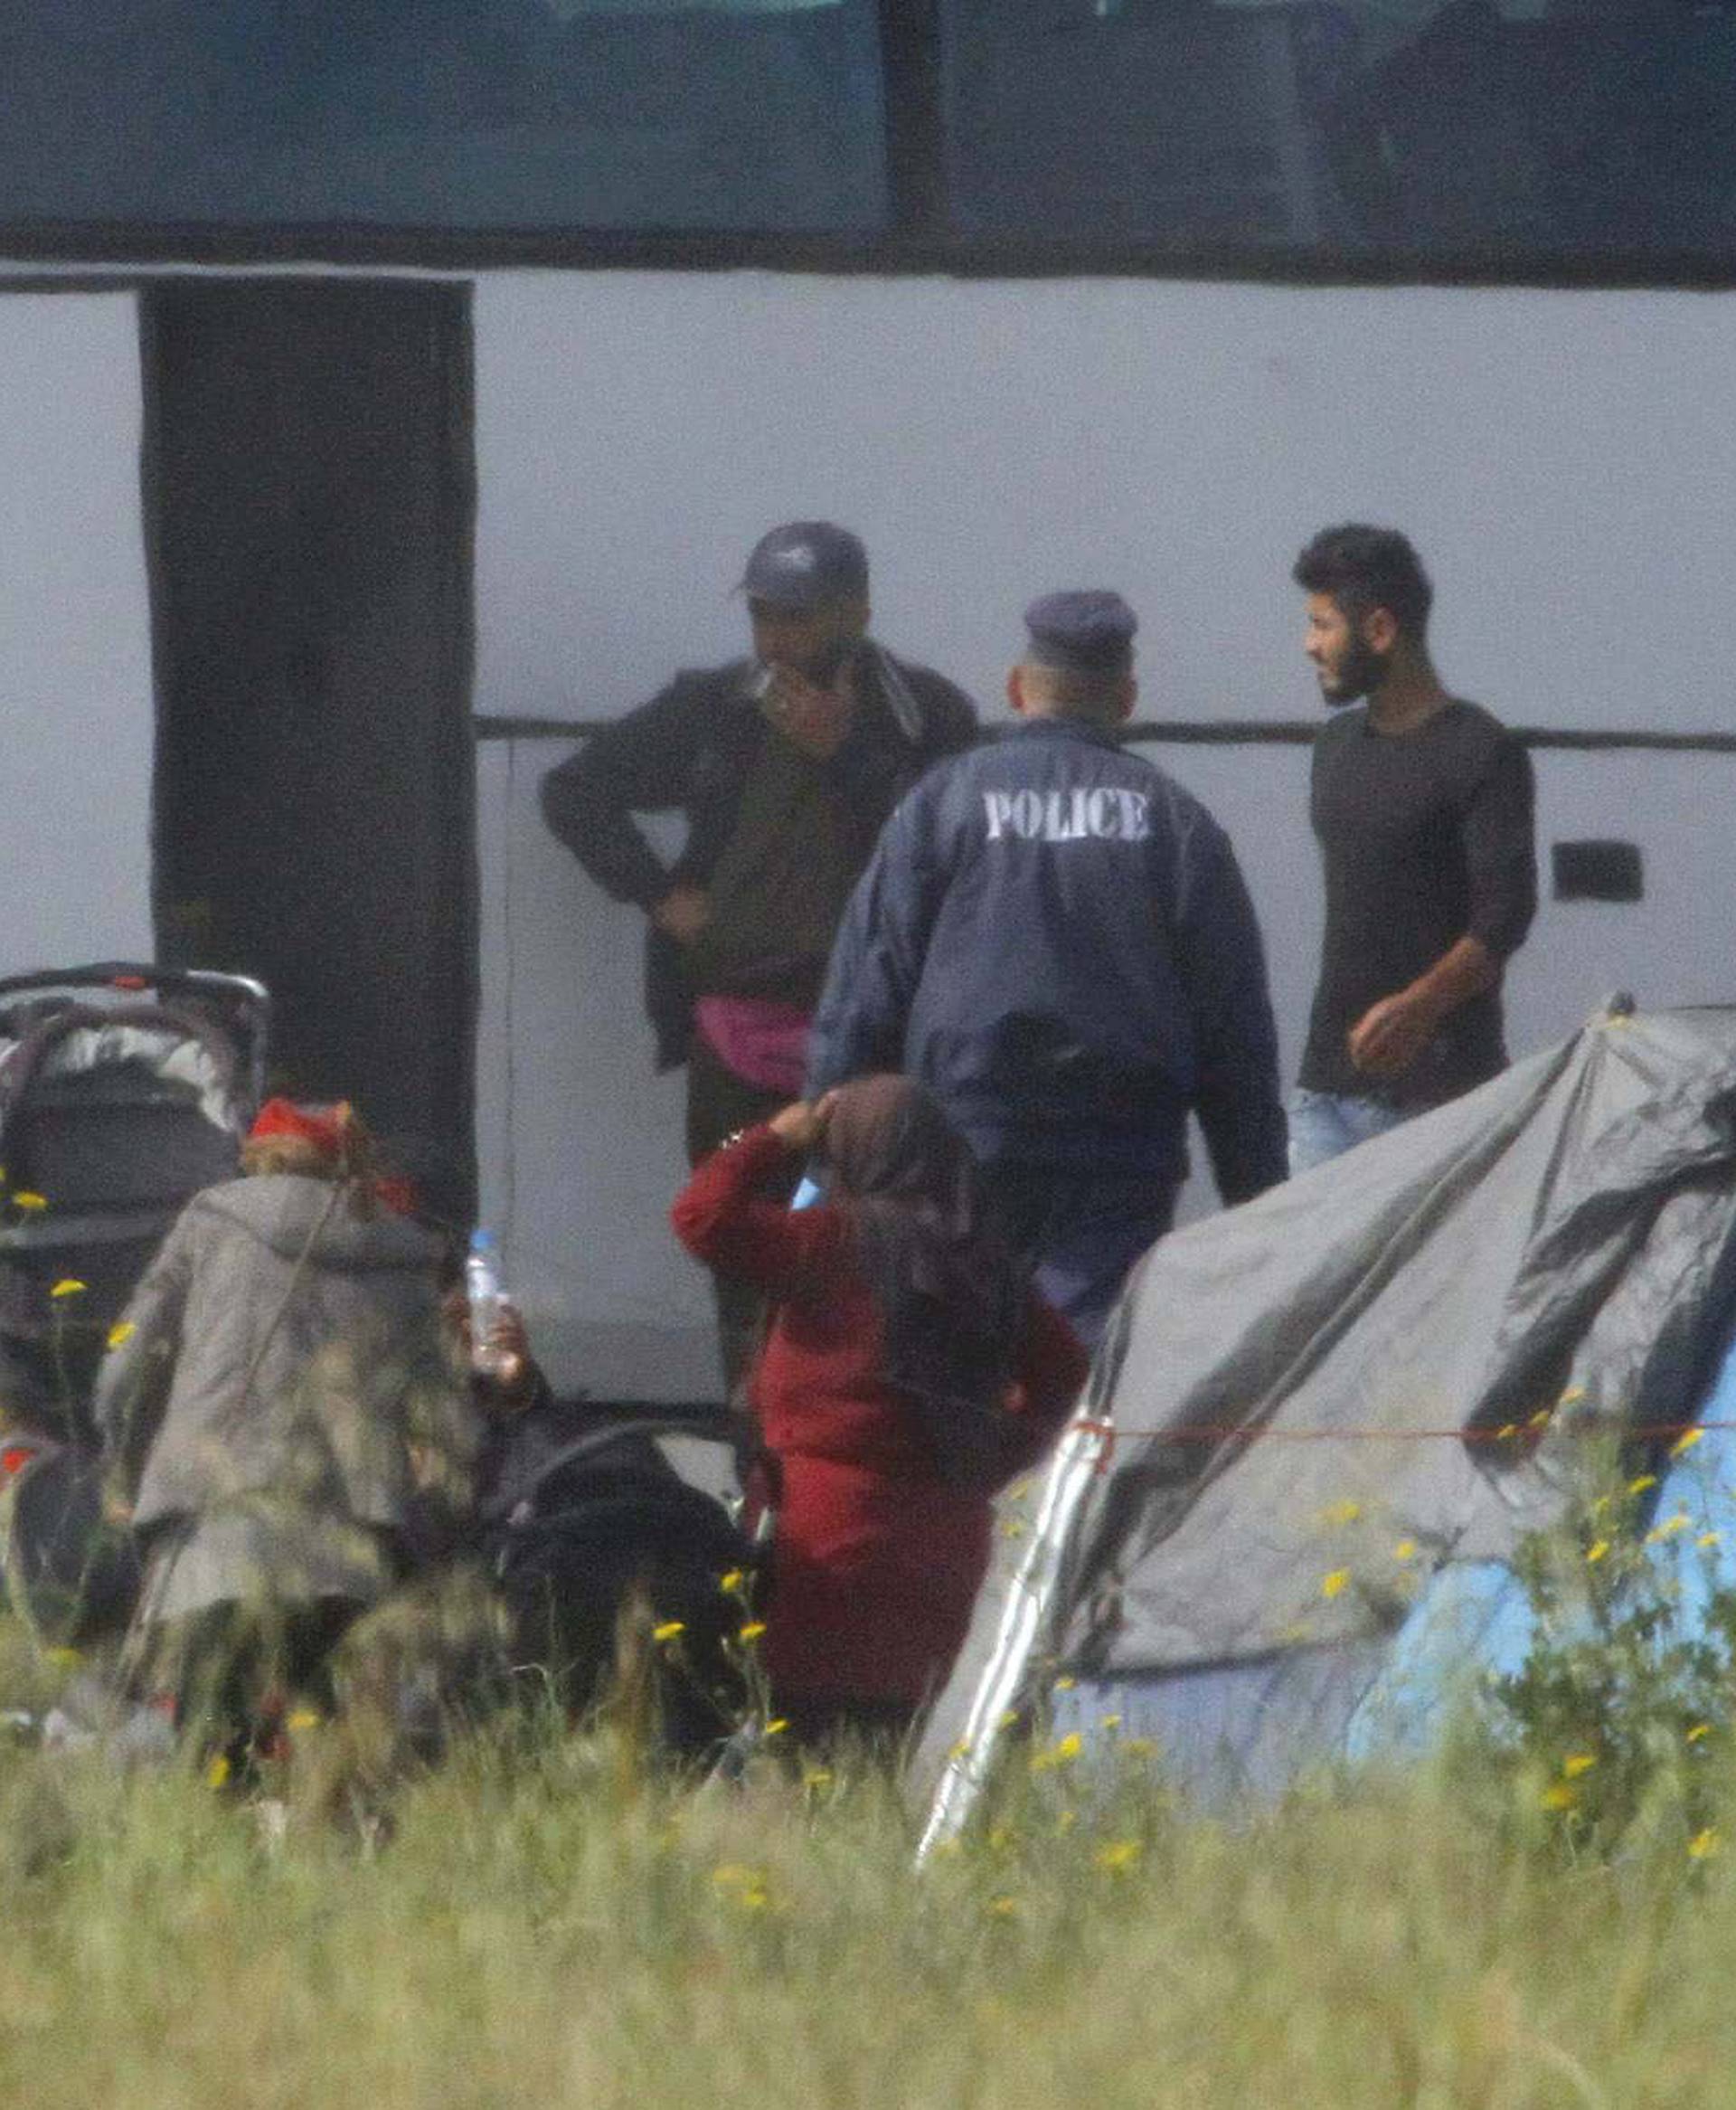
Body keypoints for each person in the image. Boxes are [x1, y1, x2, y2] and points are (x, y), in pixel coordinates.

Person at [541, 522, 977, 1396]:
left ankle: (855, 1431)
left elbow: (957, 849)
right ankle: (754, 1443)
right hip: (736, 1033)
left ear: (856, 611)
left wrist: (844, 757)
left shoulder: (926, 715)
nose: (776, 638)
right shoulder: (715, 709)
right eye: (764, 617)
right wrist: (659, 894)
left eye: (799, 618)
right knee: (739, 1244)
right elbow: (575, 788)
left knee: (877, 1252)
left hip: (881, 1043)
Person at [806, 591, 1288, 1348]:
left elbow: (869, 984)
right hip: (1119, 1149)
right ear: (1125, 700)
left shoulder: (940, 804)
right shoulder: (1175, 820)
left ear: (1016, 688)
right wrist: (1257, 1193)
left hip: (960, 1134)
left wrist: (820, 1148)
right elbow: (1234, 1028)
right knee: (1078, 1359)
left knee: (954, 1352)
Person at [94, 1099, 519, 1758]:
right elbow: (449, 1427)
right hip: (346, 1556)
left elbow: (123, 1371)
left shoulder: (211, 1224)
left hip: (218, 1536)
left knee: (211, 1755)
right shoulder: (403, 1260)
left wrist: (121, 1468)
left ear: (256, 1159)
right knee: (321, 1764)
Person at [671, 1076, 1086, 1750]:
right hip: (946, 1558)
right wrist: (986, 1459)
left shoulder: (831, 1240)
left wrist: (775, 1138)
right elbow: (1066, 1380)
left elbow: (702, 1216)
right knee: (900, 1762)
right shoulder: (986, 1264)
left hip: (821, 1552)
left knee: (803, 1763)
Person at [1289, 524, 1537, 1173]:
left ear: (1378, 631)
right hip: (1326, 1100)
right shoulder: (1334, 748)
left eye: (1323, 626)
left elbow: (1504, 918)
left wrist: (1420, 1004)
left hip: (1444, 1101)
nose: (1309, 645)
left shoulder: (1481, 751)